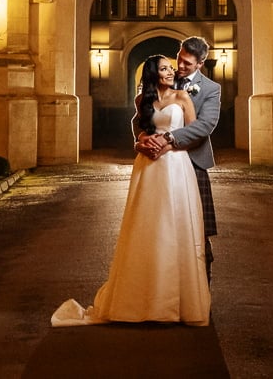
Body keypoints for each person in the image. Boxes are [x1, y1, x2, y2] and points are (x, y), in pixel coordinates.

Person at [49, 53, 212, 326]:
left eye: (171, 68)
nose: (170, 72)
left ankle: (174, 303)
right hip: (148, 168)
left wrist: (167, 144)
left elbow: (196, 135)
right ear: (152, 74)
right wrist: (141, 143)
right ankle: (141, 298)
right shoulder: (142, 102)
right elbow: (138, 131)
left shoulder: (183, 98)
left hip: (175, 167)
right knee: (146, 227)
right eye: (164, 69)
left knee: (175, 227)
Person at [137, 37, 219, 275]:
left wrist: (168, 140)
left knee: (197, 232)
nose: (179, 66)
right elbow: (140, 119)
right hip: (157, 166)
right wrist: (141, 139)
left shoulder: (211, 90)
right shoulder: (162, 79)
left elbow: (205, 126)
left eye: (186, 63)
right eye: (179, 59)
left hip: (192, 163)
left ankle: (201, 296)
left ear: (200, 64)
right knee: (159, 228)